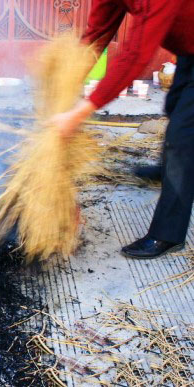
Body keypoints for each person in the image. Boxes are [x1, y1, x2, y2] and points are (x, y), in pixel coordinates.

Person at [49, 0, 194, 259]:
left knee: (182, 136)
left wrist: (80, 112)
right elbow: (97, 33)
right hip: (189, 48)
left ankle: (168, 235)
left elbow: (135, 56)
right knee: (175, 106)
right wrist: (68, 84)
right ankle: (169, 173)